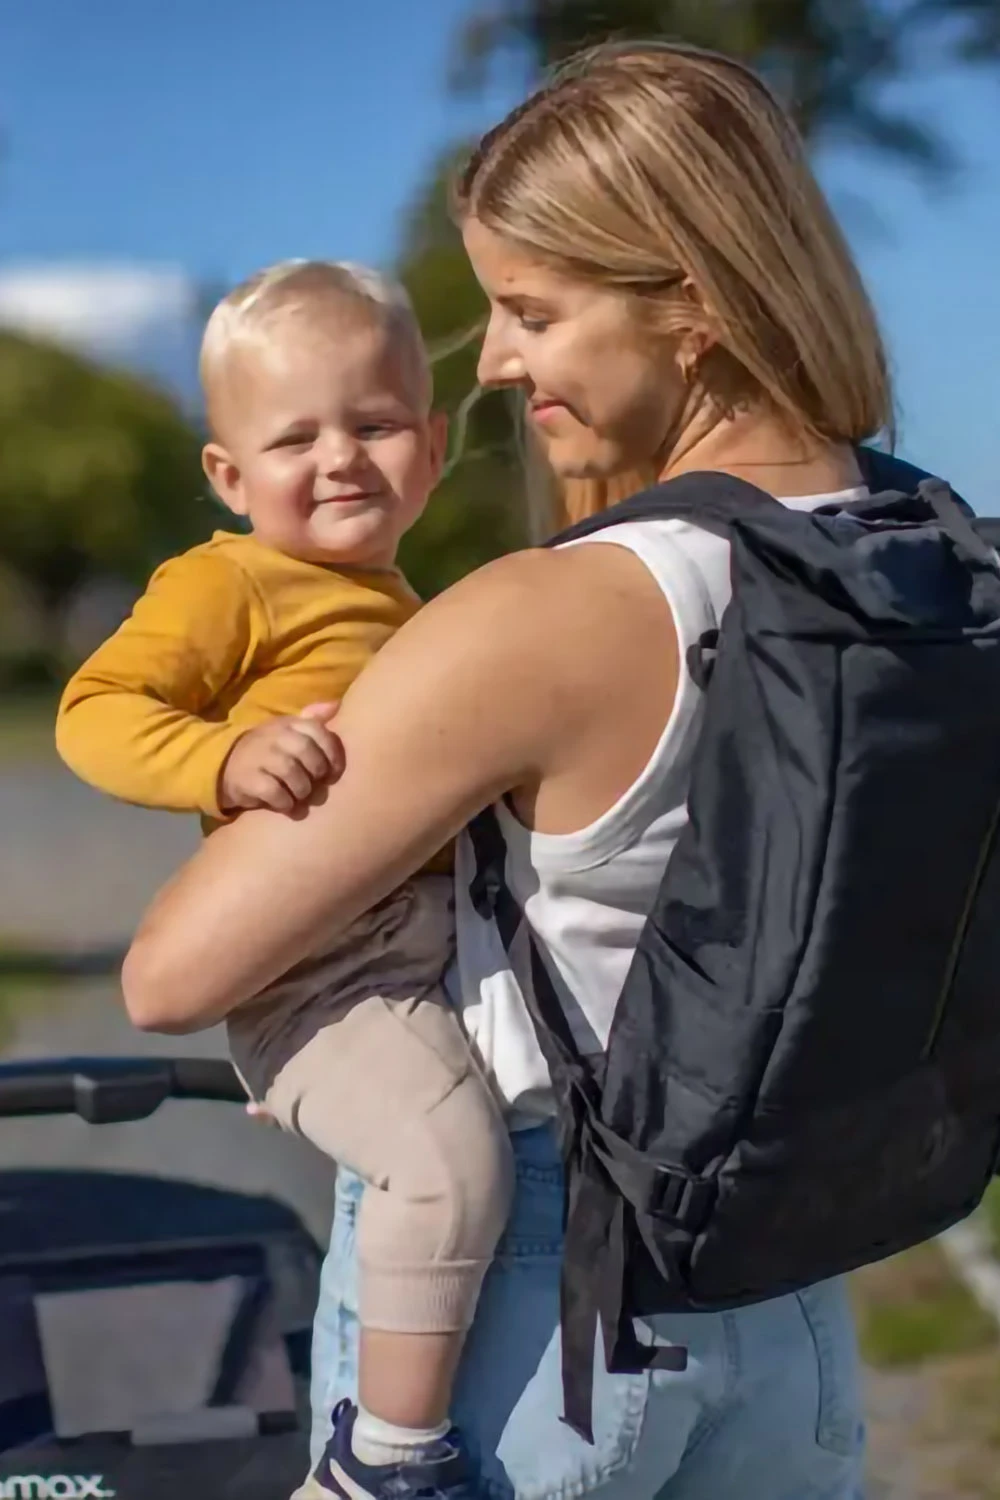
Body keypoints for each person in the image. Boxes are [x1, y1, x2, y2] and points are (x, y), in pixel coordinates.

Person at [115, 40, 915, 1499]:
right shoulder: (912, 554)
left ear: (691, 301)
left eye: (531, 311)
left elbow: (177, 972)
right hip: (790, 1293)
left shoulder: (548, 614)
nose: (487, 360)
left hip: (537, 1300)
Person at [54, 261, 514, 1496]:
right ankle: (383, 1458)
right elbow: (94, 713)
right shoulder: (231, 582)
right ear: (229, 476)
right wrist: (225, 757)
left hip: (427, 952)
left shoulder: (405, 603)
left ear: (427, 447)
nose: (339, 459)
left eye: (371, 426)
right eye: (294, 436)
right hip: (324, 969)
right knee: (447, 1165)